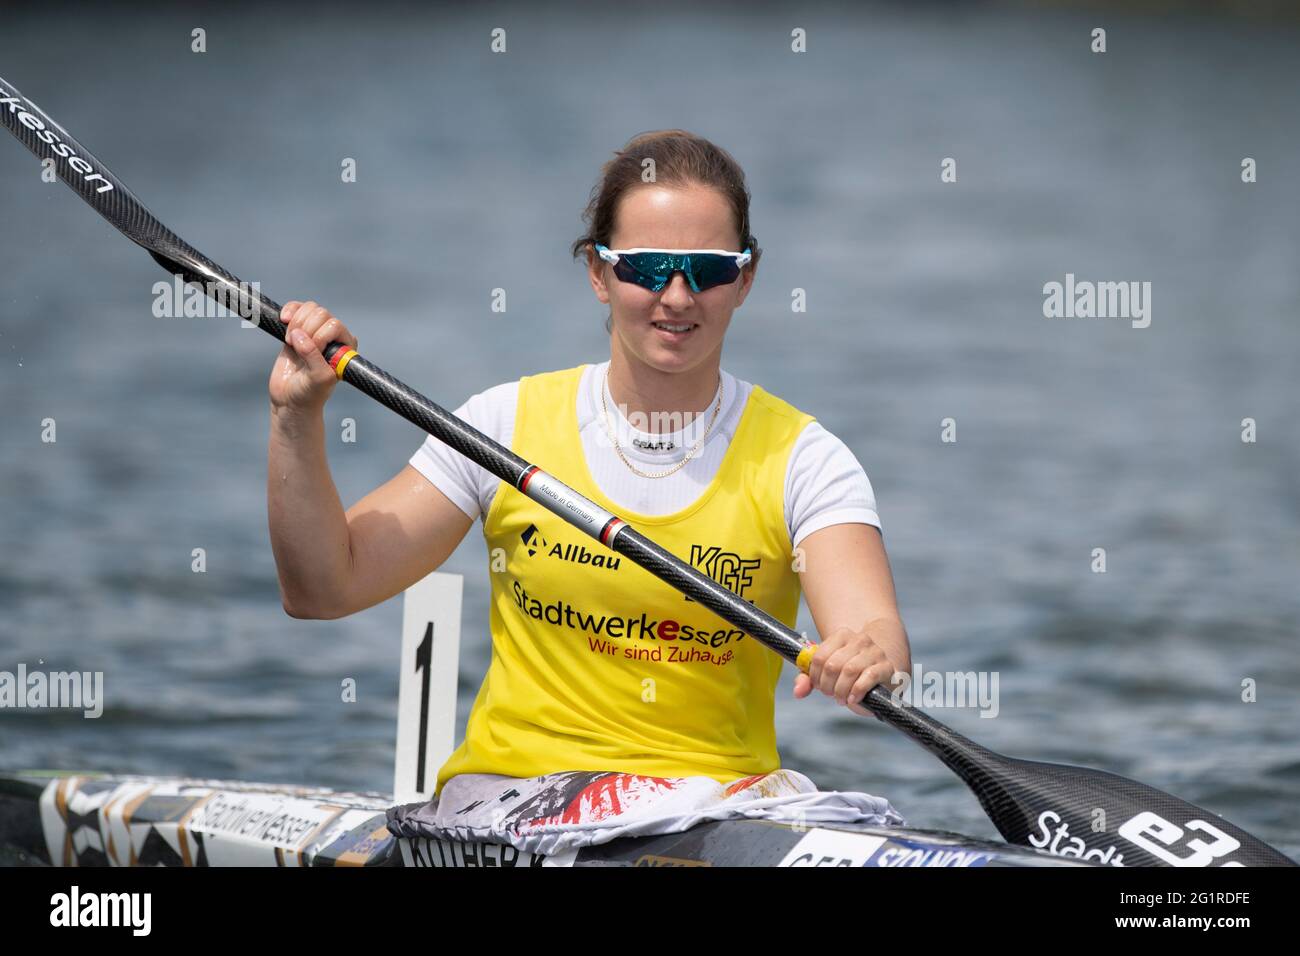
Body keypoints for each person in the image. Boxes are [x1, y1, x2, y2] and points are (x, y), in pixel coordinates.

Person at [267, 130, 911, 800]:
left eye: (710, 270)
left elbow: (876, 636)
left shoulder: (803, 459)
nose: (679, 296)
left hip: (716, 809)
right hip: (515, 800)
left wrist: (871, 659)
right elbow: (321, 590)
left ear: (745, 279)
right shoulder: (501, 428)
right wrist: (296, 416)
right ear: (598, 274)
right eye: (647, 268)